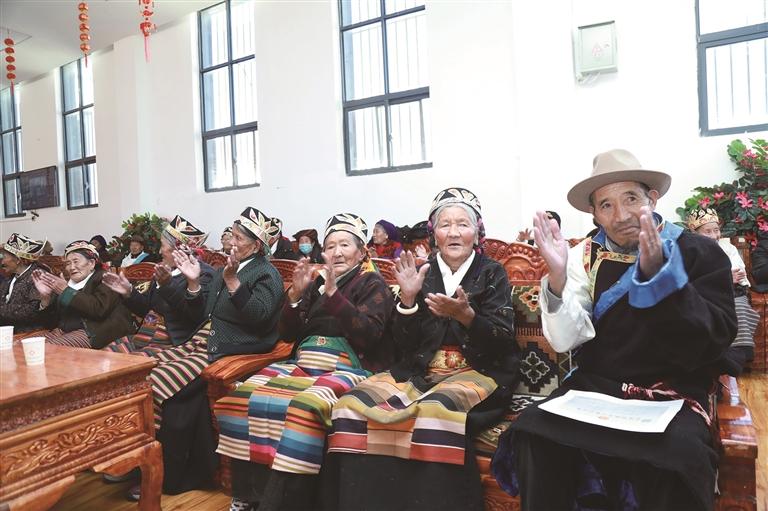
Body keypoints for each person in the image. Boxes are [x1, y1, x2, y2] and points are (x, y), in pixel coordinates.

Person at [492, 149, 737, 510]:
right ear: (594, 214)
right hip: (598, 388)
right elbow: (565, 340)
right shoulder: (583, 257)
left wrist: (662, 281)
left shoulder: (699, 251)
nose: (620, 216)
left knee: (677, 457)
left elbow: (716, 338)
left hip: (674, 392)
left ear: (652, 198)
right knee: (534, 432)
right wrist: (557, 279)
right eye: (606, 205)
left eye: (631, 199)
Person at [326, 188, 520, 511]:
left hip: (479, 371)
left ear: (477, 232)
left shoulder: (492, 272)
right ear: (434, 234)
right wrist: (407, 300)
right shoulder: (423, 272)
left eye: (463, 224)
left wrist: (467, 317)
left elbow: (502, 341)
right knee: (350, 405)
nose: (454, 233)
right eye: (445, 225)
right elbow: (404, 345)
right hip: (422, 371)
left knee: (434, 412)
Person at [215, 213, 395, 511]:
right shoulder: (317, 283)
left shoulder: (372, 283)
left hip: (348, 367)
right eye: (331, 246)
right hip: (303, 361)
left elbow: (368, 335)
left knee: (303, 407)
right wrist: (296, 297)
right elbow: (287, 333)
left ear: (362, 252)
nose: (337, 252)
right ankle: (247, 494)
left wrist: (334, 296)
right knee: (244, 395)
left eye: (345, 245)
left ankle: (282, 503)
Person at [131, 207, 285, 498]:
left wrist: (232, 281)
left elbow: (260, 317)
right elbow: (200, 313)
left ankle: (158, 473)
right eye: (232, 236)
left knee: (157, 381)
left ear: (256, 245)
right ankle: (136, 463)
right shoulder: (229, 267)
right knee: (137, 373)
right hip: (201, 339)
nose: (231, 242)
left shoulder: (267, 272)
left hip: (229, 348)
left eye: (238, 238)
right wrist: (192, 283)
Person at [102, 215, 216, 354]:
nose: (160, 251)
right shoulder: (165, 269)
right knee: (104, 356)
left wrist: (168, 285)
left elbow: (196, 316)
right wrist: (129, 292)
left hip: (170, 341)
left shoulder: (204, 274)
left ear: (179, 249)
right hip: (144, 334)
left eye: (162, 245)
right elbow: (146, 309)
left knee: (124, 364)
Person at [687, 208, 757, 373]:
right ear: (694, 232)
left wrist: (726, 279)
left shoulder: (728, 247)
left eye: (716, 230)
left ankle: (736, 355)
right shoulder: (689, 249)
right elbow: (689, 279)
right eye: (708, 231)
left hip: (731, 292)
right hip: (701, 295)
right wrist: (724, 277)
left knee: (739, 307)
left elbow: (738, 273)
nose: (714, 236)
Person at [32, 240, 137, 349]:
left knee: (45, 349)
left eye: (76, 261)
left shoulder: (105, 279)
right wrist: (45, 299)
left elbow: (98, 310)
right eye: (68, 263)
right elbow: (50, 324)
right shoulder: (66, 283)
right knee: (25, 346)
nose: (72, 267)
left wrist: (66, 291)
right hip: (66, 331)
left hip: (95, 332)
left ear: (91, 263)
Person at [0, 233, 48, 332]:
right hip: (8, 329)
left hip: (29, 332)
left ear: (18, 260)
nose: (2, 262)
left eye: (4, 257)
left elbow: (32, 311)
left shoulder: (38, 276)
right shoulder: (11, 277)